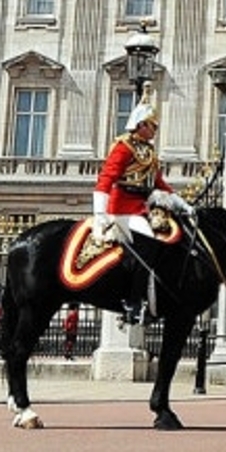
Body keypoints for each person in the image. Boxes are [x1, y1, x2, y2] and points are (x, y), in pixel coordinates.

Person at [92, 99, 193, 323]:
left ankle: (153, 297)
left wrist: (184, 205)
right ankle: (133, 300)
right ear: (140, 125)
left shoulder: (147, 151)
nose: (155, 130)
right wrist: (100, 213)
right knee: (148, 244)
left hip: (140, 208)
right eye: (152, 125)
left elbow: (159, 184)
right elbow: (106, 179)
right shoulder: (123, 147)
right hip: (121, 208)